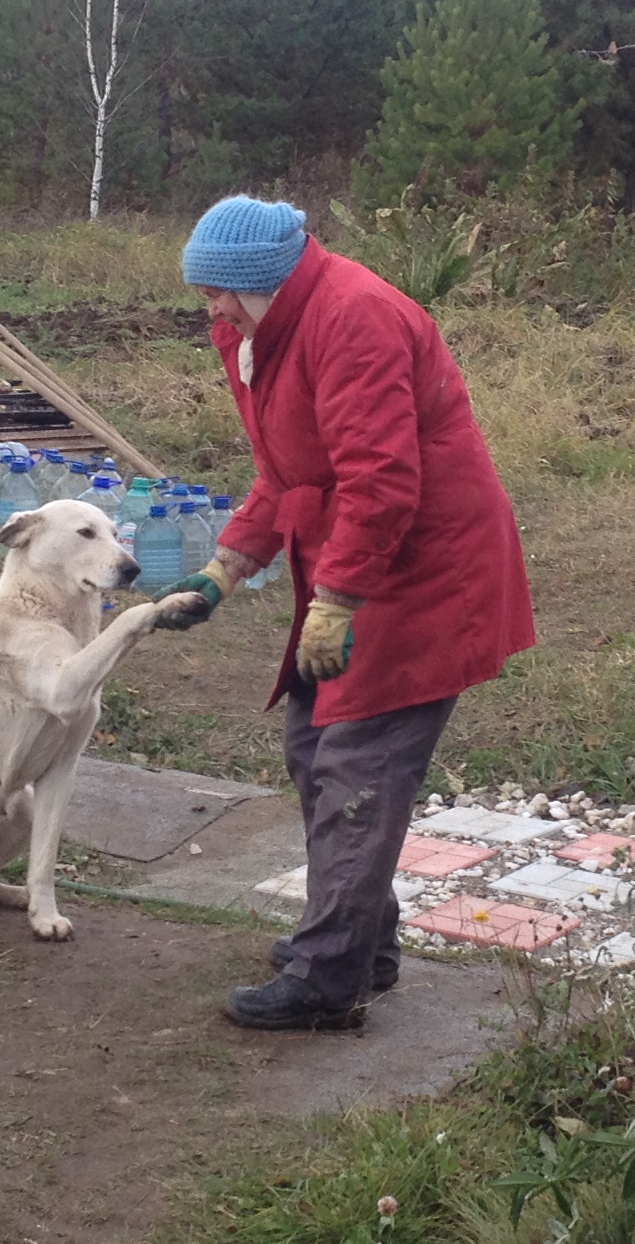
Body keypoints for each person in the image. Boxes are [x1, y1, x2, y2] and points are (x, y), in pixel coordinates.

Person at [152, 196, 536, 1029]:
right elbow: (285, 471)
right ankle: (364, 940)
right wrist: (224, 570)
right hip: (365, 563)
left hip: (425, 568)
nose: (208, 306)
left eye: (218, 289)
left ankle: (330, 981)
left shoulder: (352, 318)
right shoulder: (257, 335)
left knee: (357, 764)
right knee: (313, 743)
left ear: (261, 278)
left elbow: (381, 479)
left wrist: (336, 599)